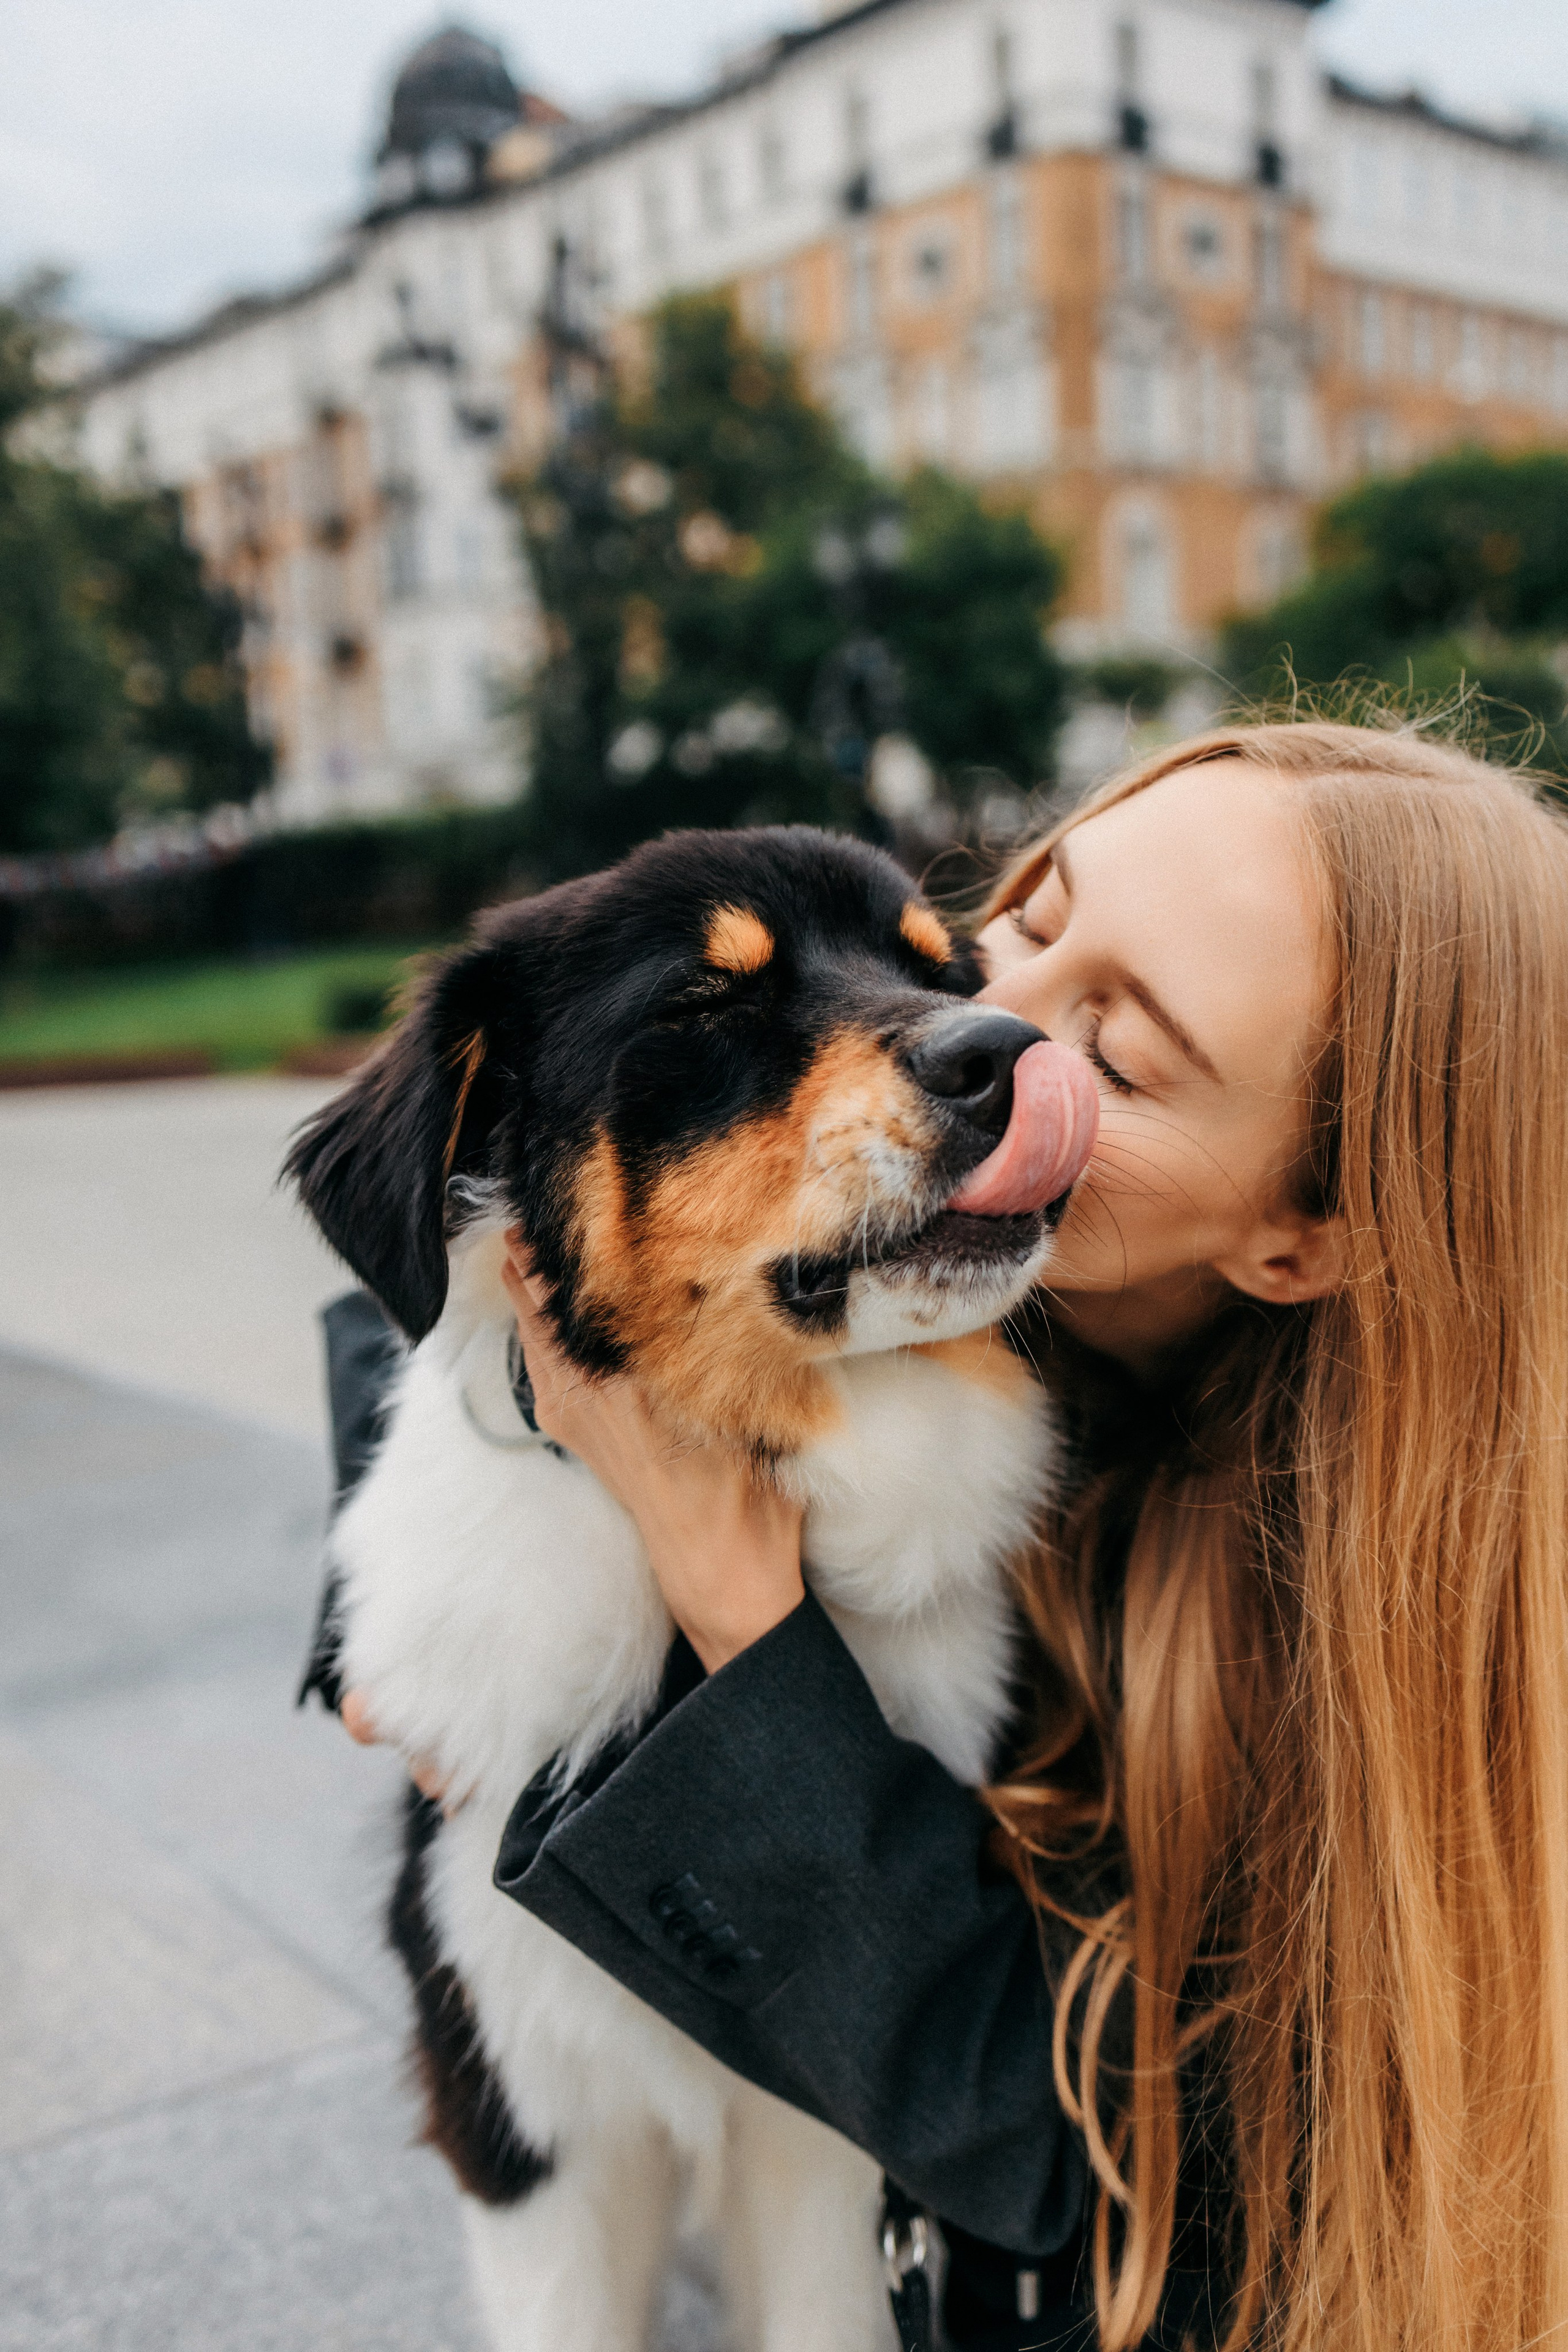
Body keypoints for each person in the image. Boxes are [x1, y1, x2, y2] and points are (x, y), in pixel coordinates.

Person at [323, 720, 1568, 2352]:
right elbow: (426, 1280)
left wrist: (738, 1617)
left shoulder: (1389, 1649)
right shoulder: (944, 1265)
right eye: (1023, 933)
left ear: (1305, 1229)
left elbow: (1079, 2176)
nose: (979, 1031)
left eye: (1117, 1059)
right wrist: (433, 1614)